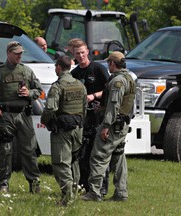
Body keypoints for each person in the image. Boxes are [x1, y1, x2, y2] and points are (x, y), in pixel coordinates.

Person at [0, 41, 42, 193]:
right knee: (5, 150)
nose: (19, 56)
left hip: (24, 114)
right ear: (8, 53)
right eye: (16, 53)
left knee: (29, 149)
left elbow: (38, 89)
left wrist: (29, 93)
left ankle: (34, 182)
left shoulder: (27, 71)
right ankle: (3, 183)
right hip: (5, 115)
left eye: (21, 53)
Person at [81, 51, 136, 202]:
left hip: (113, 126)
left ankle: (94, 193)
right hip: (121, 125)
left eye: (108, 63)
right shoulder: (129, 78)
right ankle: (121, 193)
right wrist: (102, 108)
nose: (107, 66)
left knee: (98, 157)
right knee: (118, 158)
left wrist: (105, 126)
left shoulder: (117, 81)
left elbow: (114, 105)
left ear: (112, 63)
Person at [41, 55, 87, 205]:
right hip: (78, 127)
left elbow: (50, 108)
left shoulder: (58, 86)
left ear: (59, 68)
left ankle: (67, 197)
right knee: (73, 160)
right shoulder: (80, 85)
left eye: (56, 67)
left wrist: (45, 120)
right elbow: (84, 108)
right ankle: (74, 190)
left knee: (61, 163)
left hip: (62, 130)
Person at [71, 40, 109, 193]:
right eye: (77, 53)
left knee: (99, 155)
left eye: (82, 52)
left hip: (98, 118)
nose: (80, 56)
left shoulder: (98, 69)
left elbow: (109, 89)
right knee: (82, 155)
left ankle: (102, 188)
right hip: (83, 119)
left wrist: (94, 96)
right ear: (73, 55)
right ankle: (85, 186)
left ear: (87, 51)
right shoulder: (75, 73)